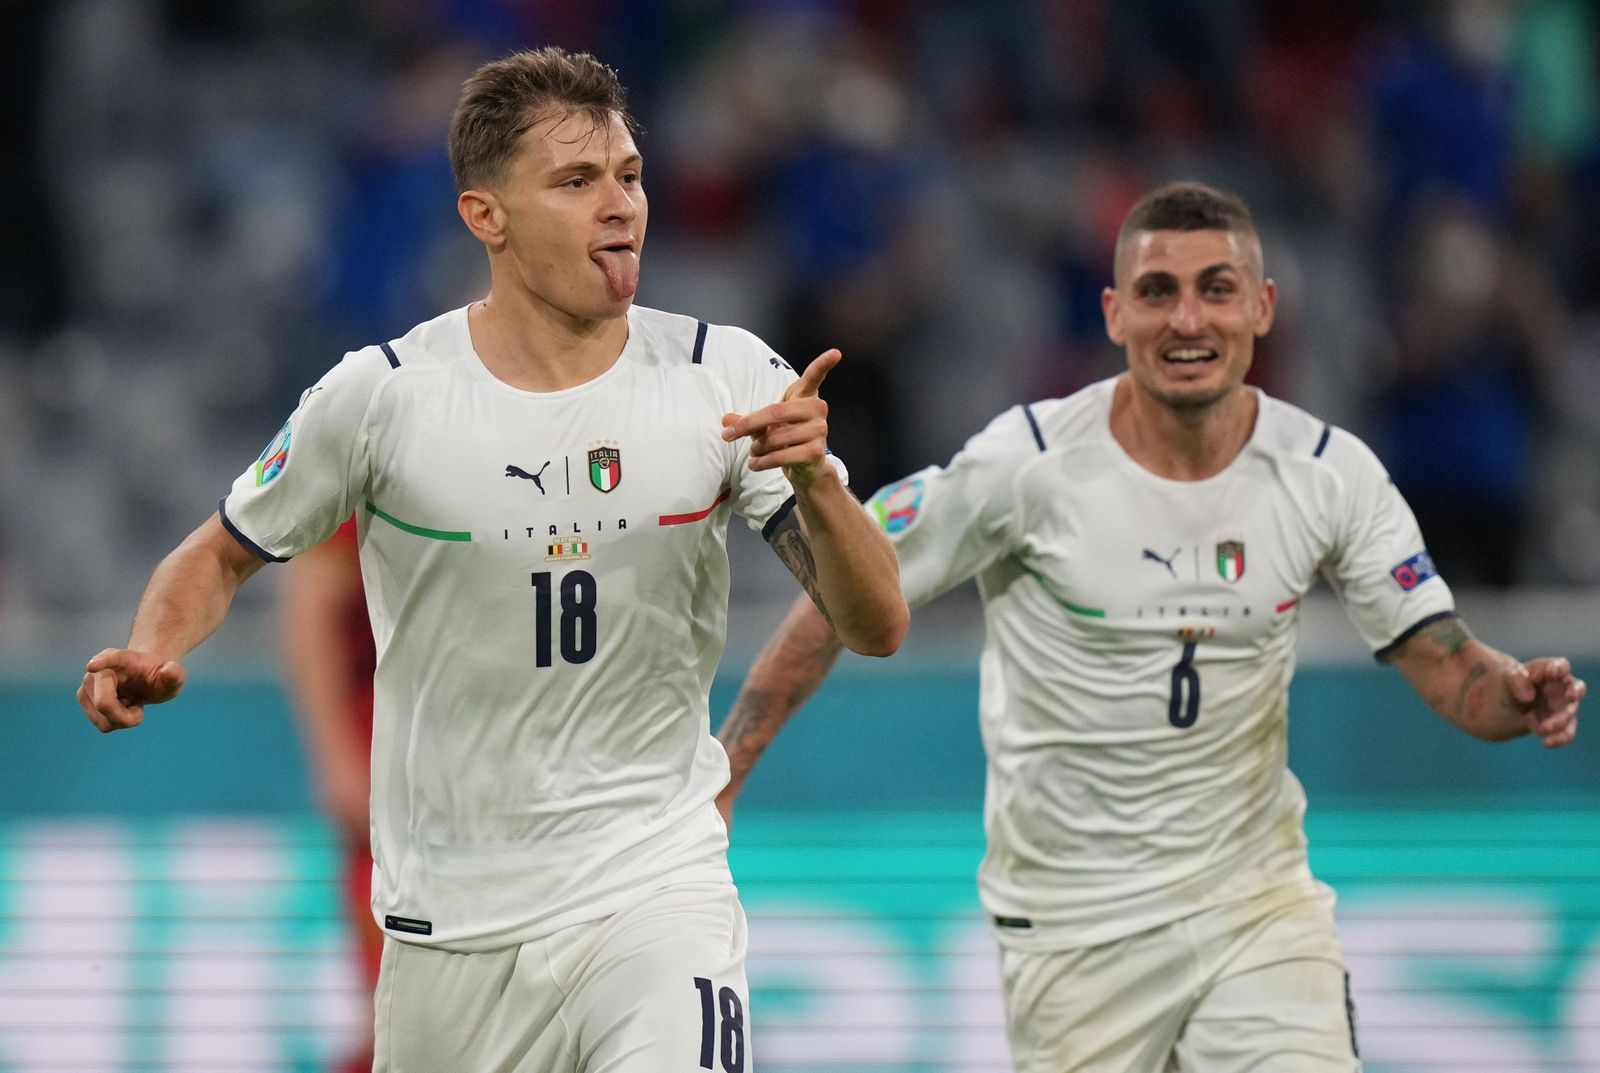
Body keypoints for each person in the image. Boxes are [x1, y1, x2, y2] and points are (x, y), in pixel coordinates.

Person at [77, 46, 908, 1073]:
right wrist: (152, 644)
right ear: (486, 216)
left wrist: (822, 485)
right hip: (448, 925)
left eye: (630, 176)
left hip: (653, 889)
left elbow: (876, 623)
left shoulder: (723, 376)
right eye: (576, 181)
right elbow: (218, 553)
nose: (621, 206)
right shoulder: (382, 397)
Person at [715, 181, 1585, 1072]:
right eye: (1158, 292)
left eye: (1216, 288)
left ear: (1263, 306)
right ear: (1114, 312)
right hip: (1074, 928)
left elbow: (1447, 666)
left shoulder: (1331, 474)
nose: (1187, 320)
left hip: (1258, 909)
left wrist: (1511, 694)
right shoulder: (1027, 464)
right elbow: (848, 588)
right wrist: (729, 767)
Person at [277, 516, 380, 1073]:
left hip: (513, 778)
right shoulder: (383, 438)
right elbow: (310, 608)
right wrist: (335, 758)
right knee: (403, 1006)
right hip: (397, 776)